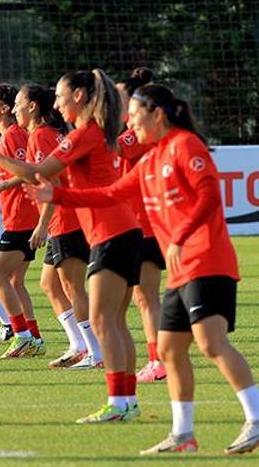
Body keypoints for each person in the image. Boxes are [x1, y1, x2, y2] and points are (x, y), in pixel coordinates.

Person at [26, 84, 259, 455]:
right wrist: (58, 195)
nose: (129, 124)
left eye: (135, 116)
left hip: (207, 259)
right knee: (168, 348)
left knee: (211, 343)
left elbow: (209, 196)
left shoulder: (186, 146)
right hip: (182, 268)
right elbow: (109, 194)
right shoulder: (150, 160)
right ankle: (183, 435)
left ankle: (255, 418)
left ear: (158, 115)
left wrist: (181, 237)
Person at [0, 69, 142, 423]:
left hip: (111, 233)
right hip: (119, 231)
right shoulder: (94, 134)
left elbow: (38, 171)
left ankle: (120, 403)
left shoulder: (83, 135)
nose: (57, 103)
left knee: (105, 320)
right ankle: (125, 401)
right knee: (114, 323)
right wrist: (55, 196)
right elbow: (63, 182)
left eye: (61, 96)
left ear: (79, 96)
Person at [13, 84, 100, 369]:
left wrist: (41, 224)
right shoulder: (47, 134)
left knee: (73, 286)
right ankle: (78, 345)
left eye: (18, 103)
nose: (15, 110)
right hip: (63, 218)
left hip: (66, 219)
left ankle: (95, 352)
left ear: (33, 106)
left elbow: (53, 182)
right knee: (49, 284)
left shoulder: (40, 136)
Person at [0, 84, 43, 358]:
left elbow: (29, 173)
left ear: (3, 109)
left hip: (23, 219)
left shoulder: (13, 136)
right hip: (16, 215)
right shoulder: (5, 138)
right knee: (14, 281)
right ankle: (33, 337)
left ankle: (22, 335)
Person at [115, 68, 167, 383]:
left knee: (146, 295)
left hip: (144, 224)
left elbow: (115, 147)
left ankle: (159, 360)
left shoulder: (134, 133)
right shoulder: (133, 128)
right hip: (140, 222)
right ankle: (158, 358)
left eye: (120, 97)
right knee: (143, 295)